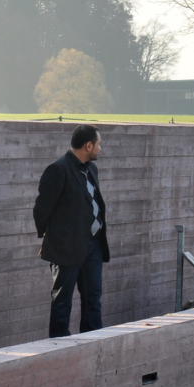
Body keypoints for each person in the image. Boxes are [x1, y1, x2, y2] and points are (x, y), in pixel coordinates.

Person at [33, 125, 110, 338]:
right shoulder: (58, 169)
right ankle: (59, 344)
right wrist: (55, 239)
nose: (100, 149)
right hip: (66, 248)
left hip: (93, 246)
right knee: (62, 300)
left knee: (93, 298)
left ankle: (92, 341)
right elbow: (41, 209)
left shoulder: (92, 169)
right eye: (99, 144)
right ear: (88, 146)